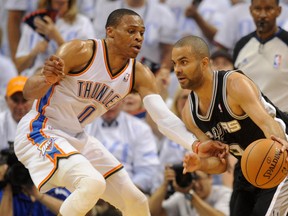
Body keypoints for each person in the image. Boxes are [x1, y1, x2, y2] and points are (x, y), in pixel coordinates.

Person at [14, 9, 226, 216]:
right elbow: (28, 90)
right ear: (110, 32)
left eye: (142, 32)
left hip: (77, 136)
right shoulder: (81, 51)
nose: (138, 37)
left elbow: (163, 118)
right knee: (92, 184)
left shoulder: (138, 73)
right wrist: (46, 79)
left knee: (136, 202)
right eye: (131, 31)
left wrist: (196, 145)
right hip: (41, 129)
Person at [172, 35, 288, 216]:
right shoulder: (189, 114)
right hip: (248, 165)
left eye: (183, 62)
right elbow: (220, 164)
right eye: (175, 64)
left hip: (278, 154)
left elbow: (268, 123)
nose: (177, 70)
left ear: (204, 63)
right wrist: (200, 164)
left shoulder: (233, 84)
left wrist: (281, 147)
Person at [0, 76, 70, 216]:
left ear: (33, 100)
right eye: (15, 100)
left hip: (42, 179)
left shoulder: (48, 124)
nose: (20, 106)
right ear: (7, 99)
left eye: (24, 100)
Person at [233, 0, 288, 113]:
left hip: (284, 121)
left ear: (279, 11)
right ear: (251, 10)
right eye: (258, 9)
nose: (262, 15)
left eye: (269, 9)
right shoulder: (241, 45)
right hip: (249, 122)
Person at [15, 0, 95, 77]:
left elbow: (87, 63)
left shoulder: (82, 23)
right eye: (57, 3)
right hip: (35, 77)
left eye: (62, 4)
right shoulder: (35, 22)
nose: (59, 7)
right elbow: (18, 67)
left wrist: (57, 38)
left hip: (66, 80)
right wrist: (34, 52)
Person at [149, 168, 232, 216]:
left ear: (210, 178)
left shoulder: (224, 193)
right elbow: (153, 212)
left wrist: (191, 196)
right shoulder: (183, 196)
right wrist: (165, 185)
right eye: (191, 179)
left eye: (198, 178)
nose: (195, 184)